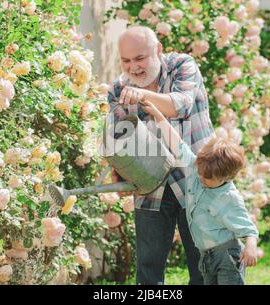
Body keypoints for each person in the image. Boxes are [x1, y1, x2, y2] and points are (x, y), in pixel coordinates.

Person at [107, 26, 213, 285]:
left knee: (204, 267)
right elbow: (120, 142)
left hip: (198, 181)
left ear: (158, 50)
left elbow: (181, 105)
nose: (134, 67)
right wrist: (119, 172)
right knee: (148, 270)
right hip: (150, 186)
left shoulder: (182, 65)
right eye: (126, 60)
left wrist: (142, 96)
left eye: (140, 58)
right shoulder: (118, 90)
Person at [141, 99, 259, 285]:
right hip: (206, 256)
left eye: (207, 178)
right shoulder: (197, 170)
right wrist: (157, 115)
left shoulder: (229, 198)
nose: (201, 178)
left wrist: (251, 247)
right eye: (201, 172)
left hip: (227, 256)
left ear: (226, 178)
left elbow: (248, 228)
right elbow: (176, 143)